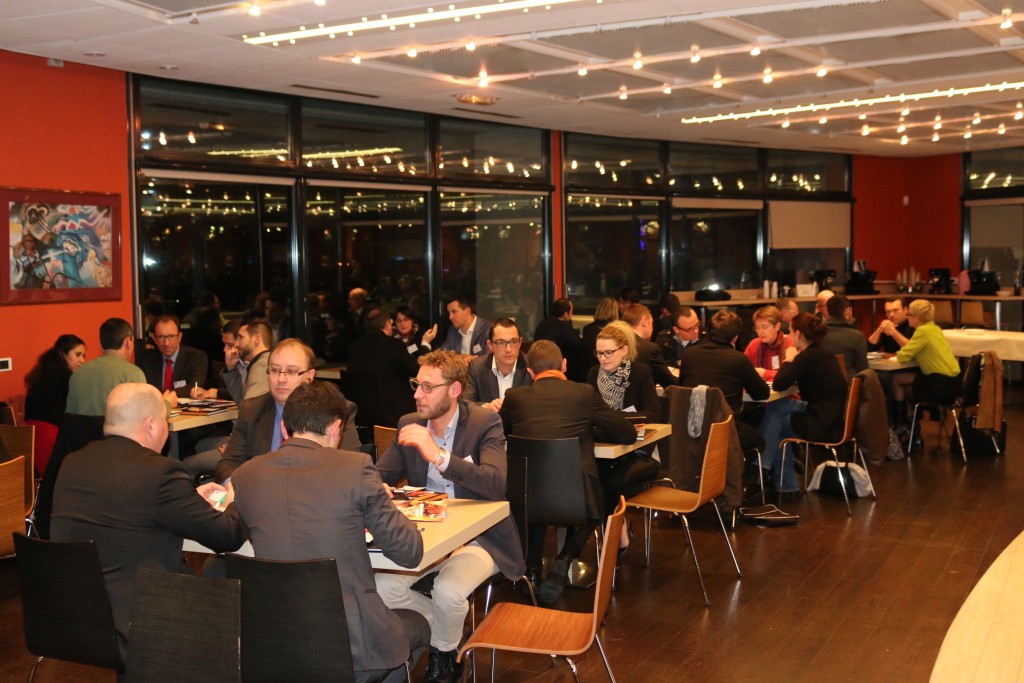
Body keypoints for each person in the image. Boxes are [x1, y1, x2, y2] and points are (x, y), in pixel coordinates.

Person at [231, 381, 428, 683]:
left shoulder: (245, 476)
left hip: (274, 640)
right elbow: (409, 552)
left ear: (285, 429)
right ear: (337, 428)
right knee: (418, 623)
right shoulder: (356, 467)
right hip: (352, 646)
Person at [50, 383, 244, 659]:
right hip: (141, 622)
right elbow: (229, 536)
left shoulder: (72, 463)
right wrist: (236, 497)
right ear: (151, 426)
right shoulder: (160, 473)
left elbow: (130, 509)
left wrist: (187, 497)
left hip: (72, 617)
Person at [374, 350, 525, 683]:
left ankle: (445, 658)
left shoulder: (485, 422)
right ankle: (449, 628)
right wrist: (374, 487)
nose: (417, 394)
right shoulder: (409, 423)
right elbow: (378, 474)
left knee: (449, 592)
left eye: (428, 387)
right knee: (380, 587)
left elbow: (496, 484)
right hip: (427, 536)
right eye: (417, 384)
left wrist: (439, 456)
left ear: (454, 390)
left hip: (480, 536)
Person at [500, 340, 637, 601]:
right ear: (564, 365)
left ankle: (532, 567)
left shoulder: (514, 397)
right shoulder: (583, 393)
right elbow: (627, 433)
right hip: (577, 500)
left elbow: (503, 432)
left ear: (529, 372)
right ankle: (564, 558)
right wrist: (590, 428)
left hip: (527, 499)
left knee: (536, 489)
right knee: (599, 497)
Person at [214, 339, 360, 483]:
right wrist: (236, 488)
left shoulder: (336, 411)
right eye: (275, 370)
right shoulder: (251, 409)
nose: (281, 379)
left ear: (310, 376)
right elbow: (228, 464)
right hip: (261, 494)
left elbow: (351, 468)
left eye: (291, 371)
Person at [765, 313, 848, 492]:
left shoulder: (806, 357)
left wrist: (789, 358)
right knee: (777, 406)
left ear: (799, 334)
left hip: (821, 423)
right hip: (833, 415)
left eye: (790, 332)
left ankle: (778, 479)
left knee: (777, 426)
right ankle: (767, 468)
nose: (788, 336)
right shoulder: (822, 352)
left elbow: (780, 383)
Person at [678, 310, 769, 453]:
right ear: (735, 338)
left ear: (708, 331)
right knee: (760, 439)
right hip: (725, 430)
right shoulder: (738, 359)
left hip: (690, 429)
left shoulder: (689, 354)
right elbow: (762, 393)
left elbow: (681, 386)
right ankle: (740, 473)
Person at [892, 299, 961, 434]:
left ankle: (902, 424)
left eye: (909, 314)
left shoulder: (922, 332)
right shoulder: (935, 329)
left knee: (896, 379)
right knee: (907, 386)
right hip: (954, 383)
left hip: (940, 385)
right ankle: (912, 429)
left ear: (916, 318)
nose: (907, 317)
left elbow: (903, 356)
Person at [24, 334, 86, 475]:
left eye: (83, 356)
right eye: (77, 355)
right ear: (62, 354)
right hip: (51, 441)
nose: (82, 360)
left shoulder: (42, 374)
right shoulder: (66, 379)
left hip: (31, 440)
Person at [347, 308, 419, 426]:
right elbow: (415, 370)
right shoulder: (392, 345)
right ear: (387, 324)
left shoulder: (354, 345)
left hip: (362, 411)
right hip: (392, 413)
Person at [66, 317, 146, 416]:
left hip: (82, 431)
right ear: (128, 342)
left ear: (101, 345)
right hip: (118, 431)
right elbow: (144, 415)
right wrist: (166, 404)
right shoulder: (133, 374)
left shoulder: (78, 374)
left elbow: (70, 418)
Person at [588, 321, 661, 421]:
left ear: (624, 350)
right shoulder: (594, 372)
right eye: (599, 353)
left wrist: (613, 416)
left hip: (632, 433)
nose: (603, 358)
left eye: (609, 353)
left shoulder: (640, 372)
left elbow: (653, 414)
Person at [135, 315, 209, 406]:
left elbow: (195, 388)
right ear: (154, 338)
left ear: (180, 337)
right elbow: (142, 391)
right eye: (161, 337)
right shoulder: (145, 360)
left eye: (171, 336)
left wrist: (161, 395)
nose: (166, 343)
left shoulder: (196, 358)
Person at [463, 318, 533, 412]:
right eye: (501, 343)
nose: (508, 349)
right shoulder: (477, 367)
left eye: (513, 342)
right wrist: (486, 407)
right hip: (489, 424)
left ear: (520, 342)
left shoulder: (531, 366)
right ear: (490, 345)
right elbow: (465, 404)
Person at [621, 303, 678, 388]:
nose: (652, 328)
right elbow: (669, 382)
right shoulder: (650, 349)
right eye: (652, 323)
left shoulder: (616, 343)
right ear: (644, 321)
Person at [822, 294, 868, 376]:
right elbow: (863, 370)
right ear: (848, 311)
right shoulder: (856, 336)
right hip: (848, 386)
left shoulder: (817, 333)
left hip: (819, 385)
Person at [743, 305, 791, 381]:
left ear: (777, 326)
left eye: (764, 327)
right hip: (761, 391)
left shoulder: (790, 343)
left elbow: (791, 375)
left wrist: (765, 374)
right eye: (757, 327)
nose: (760, 332)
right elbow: (743, 371)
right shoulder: (754, 345)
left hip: (788, 392)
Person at [655, 305, 701, 370]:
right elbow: (658, 365)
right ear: (676, 329)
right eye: (690, 329)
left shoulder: (706, 338)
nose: (696, 331)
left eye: (697, 325)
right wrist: (676, 363)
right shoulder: (663, 340)